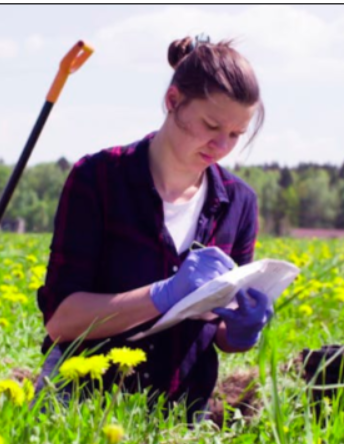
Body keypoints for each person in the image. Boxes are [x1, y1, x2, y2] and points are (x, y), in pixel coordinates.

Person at [34, 35, 274, 423]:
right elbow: (62, 321)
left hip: (182, 414)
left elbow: (221, 331)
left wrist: (243, 330)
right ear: (173, 101)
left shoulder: (239, 202)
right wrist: (162, 294)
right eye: (211, 125)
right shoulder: (98, 179)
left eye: (235, 134)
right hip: (80, 410)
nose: (221, 145)